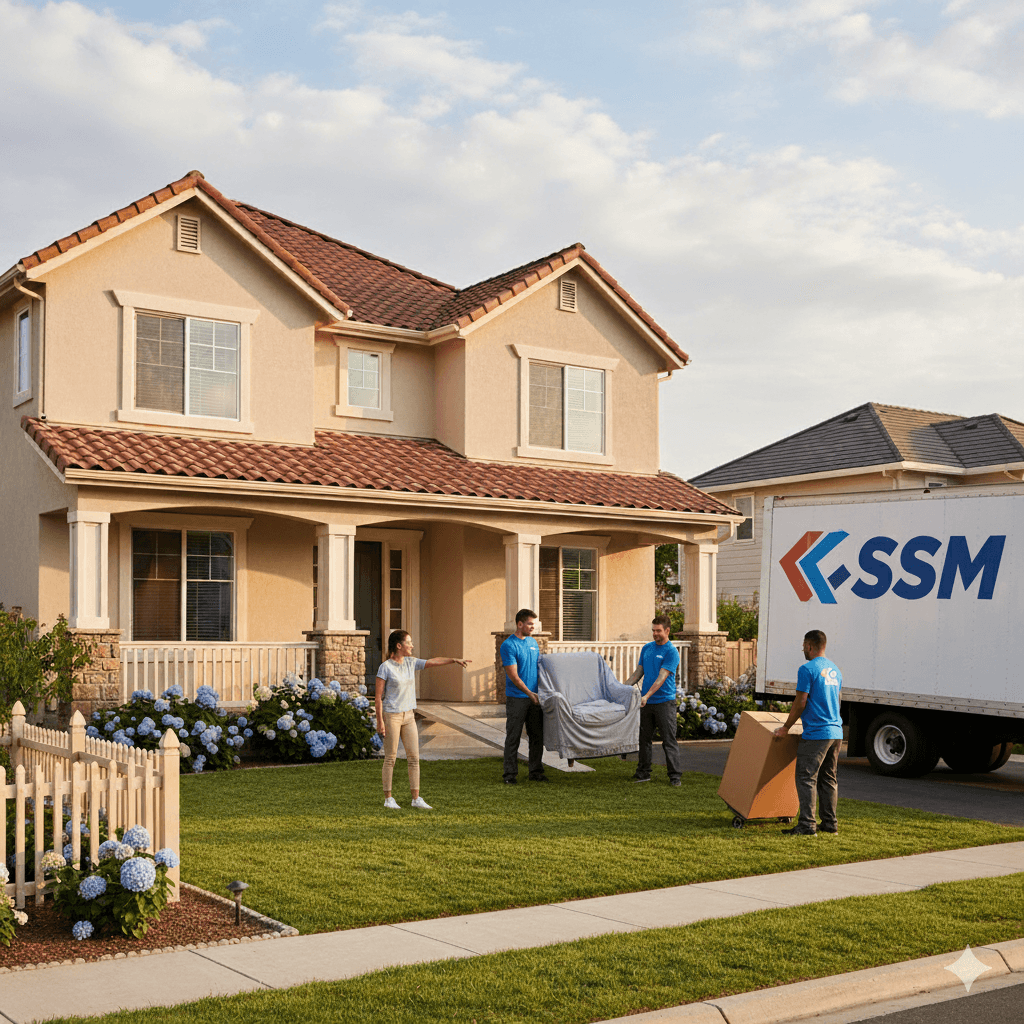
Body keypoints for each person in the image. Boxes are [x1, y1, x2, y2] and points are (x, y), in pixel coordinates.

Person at [375, 630, 469, 810]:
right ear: (399, 645)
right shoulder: (385, 667)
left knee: (414, 758)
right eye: (408, 643)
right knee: (391, 758)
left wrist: (453, 660)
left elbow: (433, 661)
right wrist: (380, 722)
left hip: (409, 715)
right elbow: (378, 697)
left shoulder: (411, 663)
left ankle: (416, 798)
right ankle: (388, 799)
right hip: (392, 715)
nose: (411, 646)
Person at [774, 629, 843, 836]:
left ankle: (807, 825)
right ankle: (830, 824)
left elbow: (801, 702)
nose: (803, 649)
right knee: (828, 778)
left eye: (804, 645)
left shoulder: (807, 669)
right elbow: (837, 701)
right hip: (836, 731)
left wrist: (785, 727)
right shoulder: (835, 670)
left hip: (817, 733)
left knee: (806, 777)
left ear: (810, 646)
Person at [625, 615, 682, 786]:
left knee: (668, 740)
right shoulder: (647, 648)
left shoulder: (671, 652)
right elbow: (638, 673)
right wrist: (623, 688)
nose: (655, 634)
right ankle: (643, 772)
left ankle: (674, 776)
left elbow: (661, 677)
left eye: (658, 631)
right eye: (653, 630)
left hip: (664, 702)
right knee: (644, 739)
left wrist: (646, 696)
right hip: (646, 703)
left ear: (667, 630)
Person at [501, 608, 547, 784]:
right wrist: (529, 694)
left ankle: (535, 772)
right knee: (513, 737)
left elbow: (538, 669)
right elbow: (513, 676)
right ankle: (510, 775)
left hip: (535, 697)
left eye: (533, 624)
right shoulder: (508, 645)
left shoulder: (533, 643)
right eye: (530, 623)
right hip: (517, 698)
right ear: (520, 624)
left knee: (537, 736)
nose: (533, 627)